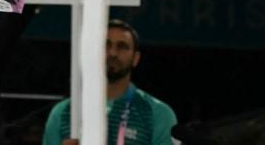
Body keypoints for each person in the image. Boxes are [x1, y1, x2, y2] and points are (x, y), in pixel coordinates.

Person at [42, 19, 178, 145]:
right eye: (106, 45)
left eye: (122, 46)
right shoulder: (63, 112)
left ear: (136, 58)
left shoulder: (158, 114)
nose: (113, 53)